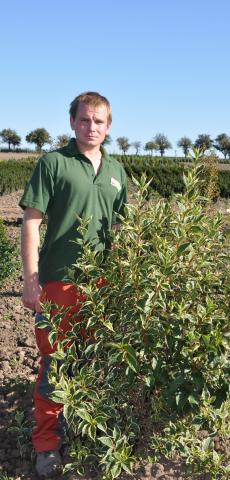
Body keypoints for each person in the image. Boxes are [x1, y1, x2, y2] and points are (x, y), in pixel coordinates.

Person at [19, 91, 128, 478]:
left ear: (109, 126)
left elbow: (120, 229)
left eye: (99, 121)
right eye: (84, 120)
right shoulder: (53, 164)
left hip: (102, 287)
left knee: (95, 362)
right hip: (58, 284)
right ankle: (47, 445)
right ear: (72, 122)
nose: (91, 127)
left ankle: (86, 429)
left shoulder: (118, 172)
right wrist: (31, 280)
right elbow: (31, 222)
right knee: (55, 365)